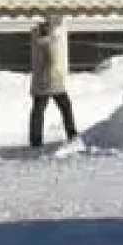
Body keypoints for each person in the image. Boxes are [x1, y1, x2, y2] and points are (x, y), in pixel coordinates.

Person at [29, 16, 78, 148]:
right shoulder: (48, 42)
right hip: (52, 80)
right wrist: (52, 74)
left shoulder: (36, 42)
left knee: (38, 110)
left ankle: (35, 139)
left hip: (40, 81)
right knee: (65, 107)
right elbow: (50, 62)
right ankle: (72, 134)